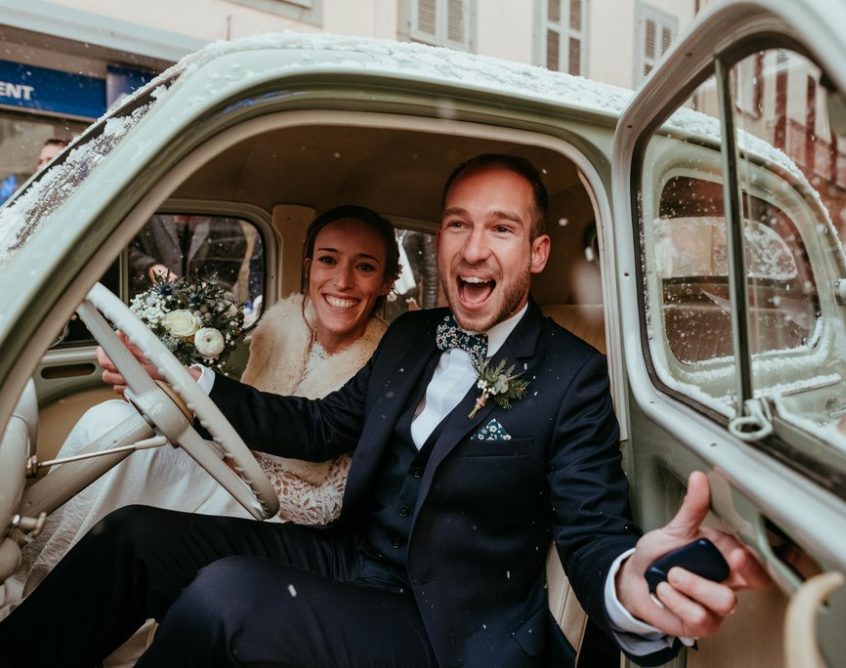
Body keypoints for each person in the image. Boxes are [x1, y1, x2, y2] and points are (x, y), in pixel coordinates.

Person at [0, 155, 766, 667]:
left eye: (500, 229)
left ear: (534, 253)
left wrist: (633, 586)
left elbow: (595, 533)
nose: (473, 248)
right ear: (440, 242)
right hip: (349, 557)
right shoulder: (408, 336)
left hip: (444, 625)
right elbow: (320, 426)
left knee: (224, 598)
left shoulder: (573, 379)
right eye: (459, 225)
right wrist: (192, 386)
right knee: (135, 537)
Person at [1, 205, 397, 616]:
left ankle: (68, 605)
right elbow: (252, 412)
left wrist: (228, 456)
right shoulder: (282, 325)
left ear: (386, 282)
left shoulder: (385, 363)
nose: (342, 281)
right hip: (229, 466)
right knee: (111, 422)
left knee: (138, 470)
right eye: (329, 260)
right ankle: (39, 583)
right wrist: (173, 389)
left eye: (364, 267)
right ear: (309, 265)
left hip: (283, 516)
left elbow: (327, 483)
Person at [128, 213, 260, 296]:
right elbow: (124, 247)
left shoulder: (225, 222)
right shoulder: (147, 210)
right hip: (148, 304)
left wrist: (211, 286)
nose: (187, 221)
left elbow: (232, 258)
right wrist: (149, 267)